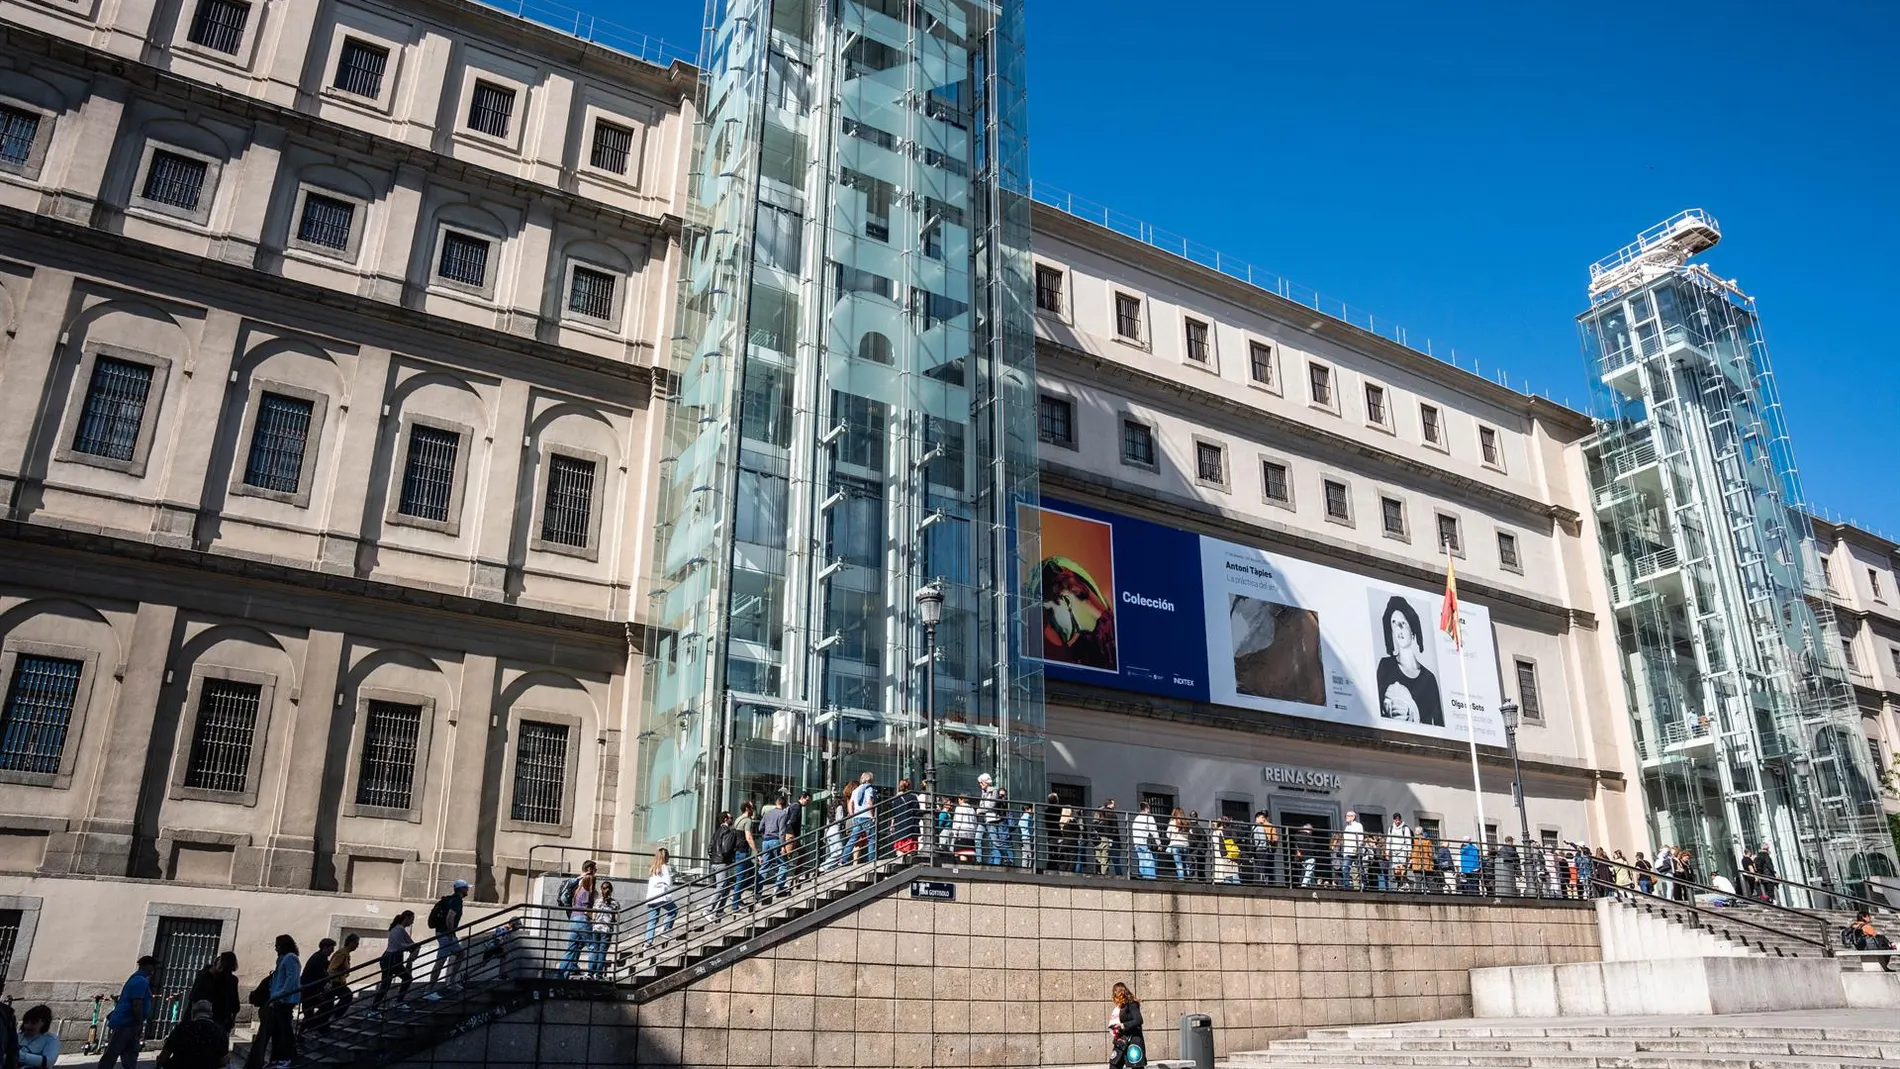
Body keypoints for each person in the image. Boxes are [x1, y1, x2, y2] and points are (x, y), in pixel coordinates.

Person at [1375, 596, 1444, 726]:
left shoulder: (1429, 678)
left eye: (1403, 623)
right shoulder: (1386, 666)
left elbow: (1439, 724)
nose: (1399, 628)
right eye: (1394, 623)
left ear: (1413, 629)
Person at [98, 955, 156, 1069]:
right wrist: (139, 1023)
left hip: (128, 1022)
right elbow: (136, 1004)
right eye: (153, 967)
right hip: (127, 1023)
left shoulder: (135, 979)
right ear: (148, 966)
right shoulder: (140, 981)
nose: (154, 971)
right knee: (113, 1052)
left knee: (130, 1052)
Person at [154, 1002, 226, 1069]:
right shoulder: (220, 1031)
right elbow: (223, 1061)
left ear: (192, 1014)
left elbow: (165, 1055)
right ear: (211, 1014)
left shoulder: (182, 1028)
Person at [427, 879, 470, 984]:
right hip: (446, 934)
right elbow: (450, 918)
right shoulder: (457, 901)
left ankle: (451, 982)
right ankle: (429, 991)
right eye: (466, 888)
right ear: (461, 889)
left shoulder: (449, 899)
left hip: (442, 932)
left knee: (460, 954)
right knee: (441, 961)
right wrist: (451, 933)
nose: (468, 890)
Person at [186, 952, 239, 1034]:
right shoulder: (205, 977)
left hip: (212, 1017)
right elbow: (234, 1003)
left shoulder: (229, 980)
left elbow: (194, 997)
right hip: (213, 1018)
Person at [558, 867, 599, 973]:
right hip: (582, 920)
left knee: (570, 950)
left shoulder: (578, 891)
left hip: (573, 919)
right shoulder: (586, 892)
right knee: (593, 946)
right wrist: (593, 919)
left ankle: (559, 977)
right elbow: (586, 910)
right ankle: (590, 973)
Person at [372, 911, 417, 1007]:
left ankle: (375, 1008)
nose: (412, 922)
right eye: (412, 919)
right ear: (407, 918)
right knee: (403, 979)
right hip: (392, 959)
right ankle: (397, 1002)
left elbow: (409, 943)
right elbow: (399, 945)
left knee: (388, 984)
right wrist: (413, 946)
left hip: (391, 958)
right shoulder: (399, 930)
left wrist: (414, 946)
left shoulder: (399, 929)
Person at [758, 793, 792, 898]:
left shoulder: (767, 814)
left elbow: (760, 828)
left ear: (776, 803)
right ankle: (779, 886)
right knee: (783, 864)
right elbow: (782, 831)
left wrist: (765, 834)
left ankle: (757, 890)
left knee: (764, 866)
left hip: (766, 841)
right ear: (785, 804)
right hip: (776, 840)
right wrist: (783, 846)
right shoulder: (783, 814)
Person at [729, 800, 759, 912]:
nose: (753, 810)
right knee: (741, 878)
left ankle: (737, 896)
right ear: (747, 809)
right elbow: (749, 837)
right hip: (743, 853)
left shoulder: (738, 819)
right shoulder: (747, 821)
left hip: (739, 852)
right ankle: (735, 904)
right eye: (752, 808)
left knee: (751, 874)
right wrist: (756, 851)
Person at [1106, 981, 1145, 1069]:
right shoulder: (1120, 1007)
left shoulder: (1132, 1004)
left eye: (1115, 994)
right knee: (1113, 1065)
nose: (1114, 997)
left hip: (1133, 1041)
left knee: (1136, 1067)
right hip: (1121, 1041)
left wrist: (1123, 1025)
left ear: (1121, 993)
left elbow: (1139, 1020)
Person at [644, 849, 678, 944]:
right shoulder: (665, 868)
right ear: (665, 857)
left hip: (651, 898)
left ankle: (648, 942)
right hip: (661, 896)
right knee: (673, 910)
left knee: (652, 920)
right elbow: (668, 882)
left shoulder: (653, 868)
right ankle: (666, 928)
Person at [322, 934, 359, 1022]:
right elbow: (331, 969)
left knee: (328, 1006)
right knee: (347, 996)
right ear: (351, 943)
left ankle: (322, 1024)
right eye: (356, 943)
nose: (357, 945)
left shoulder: (345, 953)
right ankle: (336, 1016)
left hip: (337, 981)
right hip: (335, 981)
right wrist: (330, 981)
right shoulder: (342, 953)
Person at [708, 811, 739, 918]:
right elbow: (726, 849)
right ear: (726, 819)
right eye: (731, 818)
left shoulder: (716, 832)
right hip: (722, 862)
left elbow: (710, 849)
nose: (732, 819)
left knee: (727, 886)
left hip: (715, 862)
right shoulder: (728, 831)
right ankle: (708, 910)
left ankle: (720, 910)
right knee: (722, 886)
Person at [588, 880, 619, 977]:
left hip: (596, 928)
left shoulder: (597, 902)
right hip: (606, 929)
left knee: (595, 951)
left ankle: (590, 972)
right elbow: (616, 919)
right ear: (611, 890)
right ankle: (598, 975)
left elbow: (593, 916)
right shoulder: (615, 903)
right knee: (602, 952)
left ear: (601, 890)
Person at [846, 772, 878, 863]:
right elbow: (869, 802)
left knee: (853, 839)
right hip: (866, 817)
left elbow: (850, 803)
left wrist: (853, 815)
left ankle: (844, 859)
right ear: (870, 780)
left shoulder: (856, 790)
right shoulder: (869, 788)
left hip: (857, 817)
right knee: (871, 839)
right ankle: (871, 860)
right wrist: (872, 816)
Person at [299, 939, 334, 1021]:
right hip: (309, 990)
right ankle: (315, 1027)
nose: (331, 952)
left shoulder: (322, 958)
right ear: (325, 947)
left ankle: (308, 1028)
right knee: (312, 1012)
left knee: (310, 1014)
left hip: (311, 990)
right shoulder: (317, 959)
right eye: (331, 949)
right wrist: (322, 989)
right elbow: (318, 976)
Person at [888, 778, 921, 858]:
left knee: (900, 853)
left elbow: (894, 814)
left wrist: (892, 825)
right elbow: (917, 812)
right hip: (910, 828)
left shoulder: (895, 799)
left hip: (899, 829)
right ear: (909, 787)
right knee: (911, 853)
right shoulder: (913, 798)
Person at [18, 1004, 57, 1069]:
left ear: (43, 1023)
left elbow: (49, 1062)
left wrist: (20, 1056)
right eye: (26, 1022)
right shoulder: (18, 1036)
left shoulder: (51, 1039)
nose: (28, 1026)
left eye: (33, 1023)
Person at [1130, 803, 1159, 880]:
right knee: (1149, 861)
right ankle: (1151, 879)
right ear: (1146, 809)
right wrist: (1159, 843)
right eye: (1149, 809)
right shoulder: (1149, 818)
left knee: (1142, 861)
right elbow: (1154, 831)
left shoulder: (1136, 819)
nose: (1150, 811)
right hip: (1144, 843)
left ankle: (1143, 878)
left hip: (1137, 843)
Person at [1387, 814, 1414, 892]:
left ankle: (1402, 884)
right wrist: (1387, 850)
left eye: (1399, 819)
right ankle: (1405, 883)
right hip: (1394, 852)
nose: (1397, 821)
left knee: (1402, 869)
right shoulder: (1391, 828)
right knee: (1396, 871)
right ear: (1393, 820)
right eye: (1396, 820)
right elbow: (1389, 839)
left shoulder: (1405, 828)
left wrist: (1409, 853)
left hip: (1403, 851)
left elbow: (1408, 841)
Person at [1340, 811, 1365, 890]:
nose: (1346, 817)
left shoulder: (1358, 825)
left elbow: (1360, 838)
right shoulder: (1347, 827)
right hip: (1347, 851)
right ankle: (1346, 885)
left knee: (1359, 869)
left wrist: (1357, 847)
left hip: (1355, 850)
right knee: (1345, 868)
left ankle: (1364, 884)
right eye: (1346, 816)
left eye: (1348, 816)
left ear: (1353, 817)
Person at [1166, 809, 1190, 882]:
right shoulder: (1186, 822)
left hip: (1175, 844)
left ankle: (1181, 880)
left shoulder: (1172, 822)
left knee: (1179, 864)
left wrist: (1172, 837)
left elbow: (1167, 834)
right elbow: (1189, 834)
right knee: (1185, 863)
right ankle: (1188, 879)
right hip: (1185, 845)